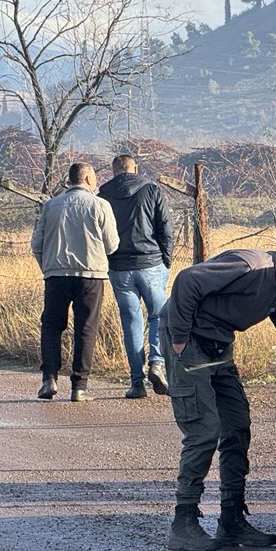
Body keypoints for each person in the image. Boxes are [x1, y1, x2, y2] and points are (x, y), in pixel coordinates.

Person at [159, 234, 276, 551]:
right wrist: (179, 337)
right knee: (203, 430)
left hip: (219, 345)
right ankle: (184, 523)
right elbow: (188, 280)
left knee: (236, 427)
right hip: (190, 344)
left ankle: (231, 521)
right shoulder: (251, 266)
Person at [30, 162, 120, 403]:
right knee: (86, 329)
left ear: (70, 180)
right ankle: (79, 387)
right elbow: (112, 245)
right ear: (89, 179)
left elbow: (36, 245)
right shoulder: (101, 205)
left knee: (51, 325)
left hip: (56, 275)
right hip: (91, 275)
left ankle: (49, 378)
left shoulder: (51, 206)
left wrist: (48, 268)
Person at [98, 154, 175, 399]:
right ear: (135, 168)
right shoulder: (151, 189)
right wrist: (166, 259)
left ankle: (136, 382)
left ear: (113, 171)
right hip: (151, 262)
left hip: (119, 266)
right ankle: (156, 362)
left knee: (131, 322)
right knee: (158, 316)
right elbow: (165, 226)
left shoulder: (103, 196)